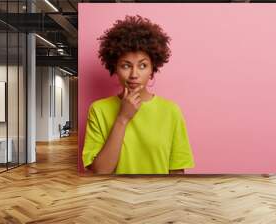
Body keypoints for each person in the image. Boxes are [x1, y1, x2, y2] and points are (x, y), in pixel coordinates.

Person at [82, 15, 195, 174]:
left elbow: (176, 173)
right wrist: (122, 118)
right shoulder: (99, 110)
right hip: (113, 197)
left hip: (159, 197)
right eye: (126, 65)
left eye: (142, 65)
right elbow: (100, 172)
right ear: (115, 68)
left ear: (152, 69)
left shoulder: (171, 111)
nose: (134, 74)